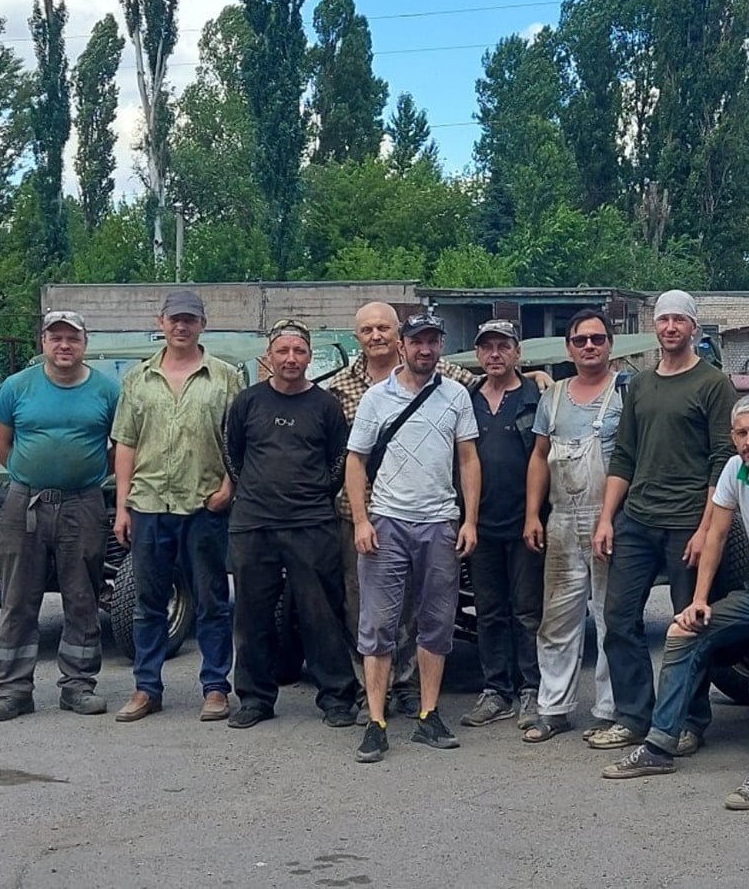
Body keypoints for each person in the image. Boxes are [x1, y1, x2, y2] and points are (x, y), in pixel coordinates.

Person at [602, 394, 749, 810]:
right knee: (682, 630)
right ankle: (659, 747)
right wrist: (697, 601)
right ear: (733, 438)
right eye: (743, 433)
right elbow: (715, 535)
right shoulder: (735, 469)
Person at [590, 290, 738, 753]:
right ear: (655, 327)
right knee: (617, 618)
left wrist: (705, 528)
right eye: (664, 319)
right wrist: (606, 519)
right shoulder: (641, 385)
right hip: (637, 518)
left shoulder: (714, 385)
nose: (671, 327)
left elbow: (724, 460)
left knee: (688, 622)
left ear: (694, 328)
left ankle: (689, 719)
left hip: (687, 523)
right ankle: (634, 715)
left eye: (680, 320)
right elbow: (625, 457)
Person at [324, 301, 482, 719]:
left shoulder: (450, 383)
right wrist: (361, 518)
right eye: (367, 330)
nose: (376, 336)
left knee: (420, 610)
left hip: (433, 514)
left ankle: (410, 687)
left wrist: (536, 376)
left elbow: (488, 382)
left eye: (383, 329)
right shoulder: (340, 387)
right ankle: (371, 695)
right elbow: (348, 456)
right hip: (368, 515)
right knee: (367, 611)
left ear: (396, 336)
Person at [0, 311, 123, 722]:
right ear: (43, 342)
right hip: (24, 505)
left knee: (82, 598)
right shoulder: (16, 387)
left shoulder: (106, 390)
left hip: (84, 504)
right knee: (17, 600)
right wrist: (33, 474)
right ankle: (12, 690)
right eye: (56, 337)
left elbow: (121, 447)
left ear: (85, 344)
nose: (64, 345)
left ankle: (77, 686)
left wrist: (86, 472)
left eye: (72, 339)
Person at [111, 288, 243, 724]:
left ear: (202, 324)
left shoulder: (225, 377)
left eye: (190, 319)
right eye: (175, 319)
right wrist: (122, 506)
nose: (182, 326)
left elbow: (239, 442)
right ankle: (147, 687)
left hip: (204, 504)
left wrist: (228, 488)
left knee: (211, 601)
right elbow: (125, 444)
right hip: (149, 503)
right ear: (161, 322)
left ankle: (215, 687)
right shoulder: (138, 379)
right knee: (148, 602)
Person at [222, 320, 361, 729]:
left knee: (321, 612)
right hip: (254, 523)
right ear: (270, 355)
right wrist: (255, 489)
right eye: (282, 351)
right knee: (252, 614)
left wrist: (316, 491)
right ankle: (254, 697)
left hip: (311, 521)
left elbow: (339, 461)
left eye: (298, 351)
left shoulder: (326, 405)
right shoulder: (247, 402)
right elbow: (233, 455)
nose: (290, 359)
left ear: (308, 355)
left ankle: (337, 696)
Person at [521, 308, 622, 743]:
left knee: (610, 617)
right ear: (568, 347)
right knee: (558, 619)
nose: (589, 347)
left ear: (609, 345)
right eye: (580, 340)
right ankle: (553, 708)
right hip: (561, 517)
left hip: (608, 519)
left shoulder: (625, 392)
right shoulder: (554, 396)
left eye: (597, 339)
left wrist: (610, 519)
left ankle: (611, 709)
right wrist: (532, 514)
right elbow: (539, 457)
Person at [459, 319, 546, 731]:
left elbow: (542, 459)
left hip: (525, 522)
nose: (495, 354)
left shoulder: (537, 396)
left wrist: (534, 515)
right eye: (487, 347)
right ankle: (496, 689)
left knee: (528, 611)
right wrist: (468, 520)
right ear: (478, 355)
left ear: (517, 352)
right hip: (481, 524)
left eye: (503, 346)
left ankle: (531, 688)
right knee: (489, 610)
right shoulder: (467, 398)